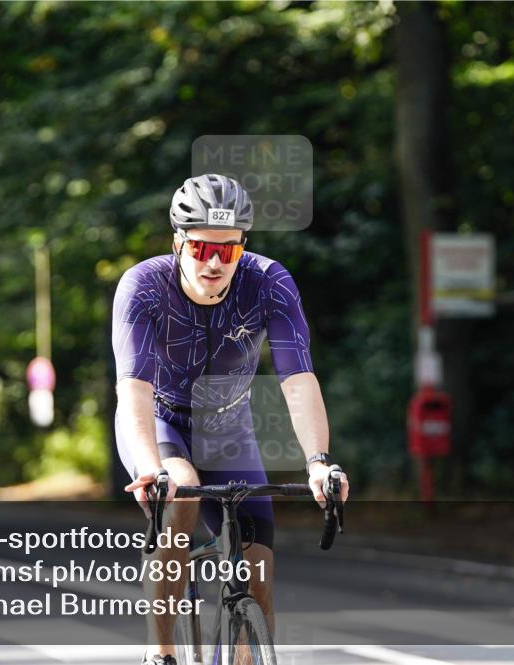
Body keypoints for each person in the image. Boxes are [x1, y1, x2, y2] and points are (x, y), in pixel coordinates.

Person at [112, 174, 349, 665]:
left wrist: (319, 461)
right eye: (201, 248)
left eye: (229, 250)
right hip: (161, 422)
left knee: (258, 577)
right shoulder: (143, 286)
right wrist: (149, 467)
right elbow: (133, 388)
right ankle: (162, 651)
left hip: (227, 428)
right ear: (178, 242)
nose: (215, 262)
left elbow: (297, 378)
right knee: (181, 490)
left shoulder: (268, 282)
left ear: (243, 245)